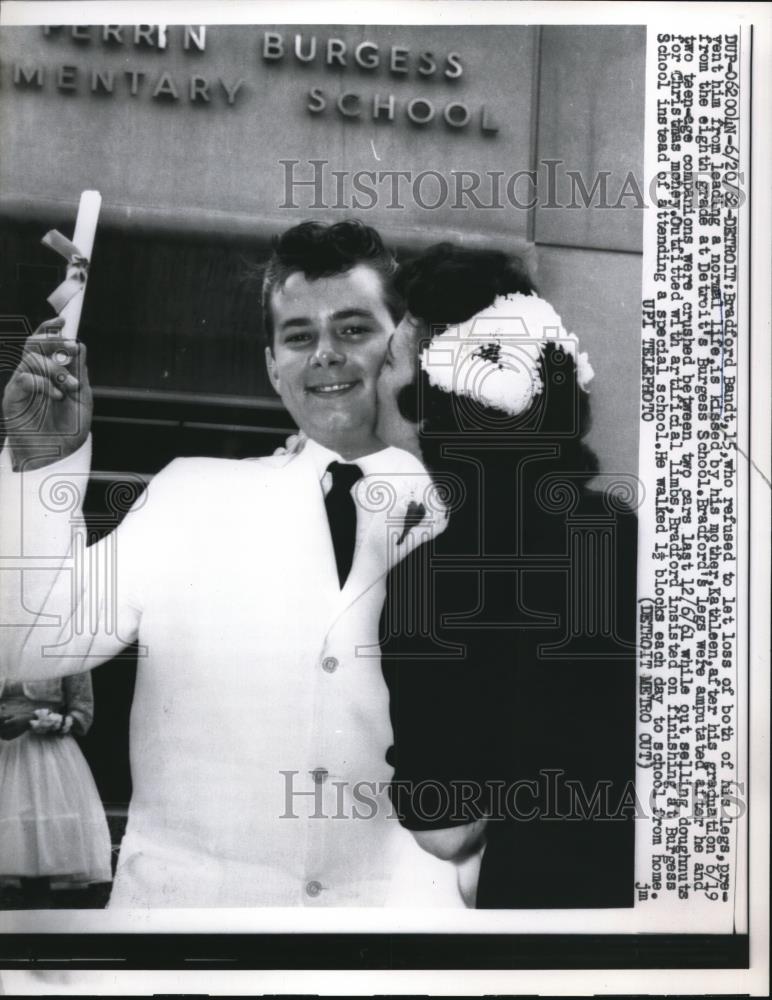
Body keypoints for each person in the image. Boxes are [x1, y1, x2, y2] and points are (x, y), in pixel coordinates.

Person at [0, 220, 458, 908]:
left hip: (392, 946)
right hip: (190, 945)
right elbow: (32, 642)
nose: (325, 355)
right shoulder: (191, 494)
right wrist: (40, 464)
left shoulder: (466, 515)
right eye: (299, 336)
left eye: (355, 329)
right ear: (273, 365)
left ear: (404, 348)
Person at [375, 243, 638, 908]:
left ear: (424, 403)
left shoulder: (433, 580)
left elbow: (445, 829)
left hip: (542, 927)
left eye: (386, 361)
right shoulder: (636, 539)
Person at [0, 670, 112, 906]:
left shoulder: (66, 650)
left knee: (38, 848)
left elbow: (82, 716)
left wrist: (33, 719)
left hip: (45, 760)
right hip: (4, 752)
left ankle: (39, 923)